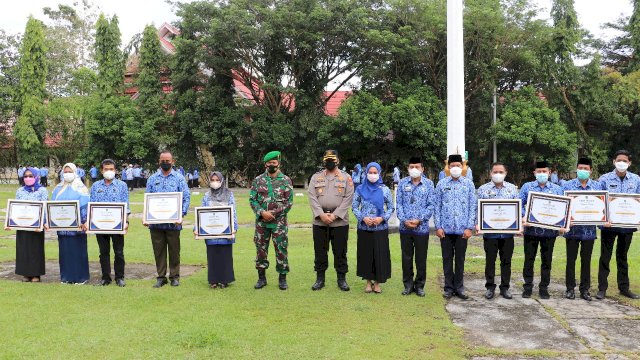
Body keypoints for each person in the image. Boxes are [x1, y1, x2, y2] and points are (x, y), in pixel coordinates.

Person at [307, 150, 354, 291]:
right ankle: (320, 279)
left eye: (332, 159)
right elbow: (311, 196)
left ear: (338, 160)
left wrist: (335, 215)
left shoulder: (346, 178)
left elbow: (348, 198)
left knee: (340, 251)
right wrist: (321, 214)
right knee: (320, 251)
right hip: (320, 221)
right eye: (327, 159)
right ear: (323, 161)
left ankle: (342, 279)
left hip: (339, 222)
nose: (330, 162)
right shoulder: (316, 177)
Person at [597, 150, 640, 299]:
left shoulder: (636, 180)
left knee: (622, 257)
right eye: (619, 160)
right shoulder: (604, 179)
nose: (621, 163)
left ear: (629, 163)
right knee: (605, 256)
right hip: (609, 225)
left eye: (625, 160)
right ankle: (602, 289)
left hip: (627, 225)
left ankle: (624, 288)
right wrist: (603, 219)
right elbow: (598, 201)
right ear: (613, 161)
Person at [145, 150, 191, 288]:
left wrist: (181, 215)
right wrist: (146, 216)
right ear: (159, 161)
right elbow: (148, 198)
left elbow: (186, 197)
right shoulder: (152, 179)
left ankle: (174, 276)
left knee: (174, 251)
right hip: (156, 223)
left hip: (173, 223)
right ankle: (161, 277)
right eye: (162, 160)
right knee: (158, 251)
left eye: (167, 160)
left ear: (173, 161)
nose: (165, 163)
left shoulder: (179, 178)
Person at [249, 151, 294, 290]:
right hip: (262, 223)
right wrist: (262, 212)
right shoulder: (258, 180)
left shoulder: (286, 180)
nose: (272, 165)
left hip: (279, 223)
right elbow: (253, 199)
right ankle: (261, 278)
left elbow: (289, 202)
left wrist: (272, 213)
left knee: (281, 249)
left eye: (274, 163)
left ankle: (282, 278)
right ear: (265, 164)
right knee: (261, 250)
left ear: (278, 163)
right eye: (269, 163)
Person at [434, 154, 477, 300]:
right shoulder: (441, 184)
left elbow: (473, 206)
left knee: (460, 259)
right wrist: (438, 227)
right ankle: (448, 288)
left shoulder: (469, 184)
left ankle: (459, 287)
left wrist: (469, 227)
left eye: (458, 165)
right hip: (445, 230)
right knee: (447, 259)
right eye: (452, 166)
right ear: (448, 167)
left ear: (463, 167)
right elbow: (437, 207)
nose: (455, 168)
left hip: (462, 230)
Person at [520, 160, 563, 299]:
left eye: (544, 171)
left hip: (549, 232)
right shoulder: (527, 187)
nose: (542, 174)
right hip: (531, 230)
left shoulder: (557, 189)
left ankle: (544, 288)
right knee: (529, 259)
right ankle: (527, 287)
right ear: (534, 173)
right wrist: (523, 217)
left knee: (547, 260)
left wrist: (562, 223)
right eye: (539, 171)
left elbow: (562, 208)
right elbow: (520, 204)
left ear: (549, 172)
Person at [476, 162, 518, 300]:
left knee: (506, 261)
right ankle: (490, 287)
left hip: (507, 233)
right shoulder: (482, 189)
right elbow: (477, 209)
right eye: (495, 172)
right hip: (490, 233)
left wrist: (519, 225)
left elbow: (516, 210)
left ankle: (505, 288)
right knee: (490, 260)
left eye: (501, 172)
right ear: (490, 173)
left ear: (505, 173)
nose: (498, 174)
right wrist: (477, 224)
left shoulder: (512, 189)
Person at [352, 162, 394, 293]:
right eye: (370, 172)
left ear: (379, 173)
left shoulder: (385, 189)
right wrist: (363, 218)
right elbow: (354, 207)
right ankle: (368, 282)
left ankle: (377, 283)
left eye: (375, 172)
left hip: (380, 228)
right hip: (364, 228)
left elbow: (391, 207)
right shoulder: (360, 189)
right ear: (366, 173)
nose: (372, 175)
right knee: (366, 255)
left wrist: (381, 218)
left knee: (379, 255)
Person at [396, 156, 434, 297]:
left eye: (417, 167)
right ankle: (408, 285)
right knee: (406, 257)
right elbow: (398, 204)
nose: (414, 169)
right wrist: (404, 219)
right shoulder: (402, 183)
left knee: (420, 258)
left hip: (421, 228)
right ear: (408, 168)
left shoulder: (429, 184)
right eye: (411, 167)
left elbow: (431, 205)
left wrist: (420, 220)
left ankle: (420, 286)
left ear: (422, 169)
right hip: (405, 228)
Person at [562, 157, 599, 301]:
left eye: (586, 169)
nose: (582, 171)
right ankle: (570, 289)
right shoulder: (567, 186)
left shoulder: (597, 187)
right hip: (572, 230)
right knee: (570, 261)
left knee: (586, 261)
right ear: (576, 169)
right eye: (580, 168)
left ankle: (585, 290)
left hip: (589, 231)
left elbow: (601, 208)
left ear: (590, 171)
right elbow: (562, 207)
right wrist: (565, 220)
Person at [89, 159, 130, 287]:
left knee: (119, 252)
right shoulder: (95, 186)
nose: (109, 171)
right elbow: (92, 205)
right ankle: (105, 278)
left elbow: (126, 205)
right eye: (106, 169)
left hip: (117, 225)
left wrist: (126, 221)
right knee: (103, 252)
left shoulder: (122, 185)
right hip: (100, 225)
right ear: (101, 171)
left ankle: (119, 277)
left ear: (115, 170)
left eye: (111, 169)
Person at [6, 168, 48, 282]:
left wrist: (42, 223)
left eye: (30, 176)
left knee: (36, 249)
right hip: (22, 225)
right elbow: (16, 207)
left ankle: (36, 274)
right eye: (25, 176)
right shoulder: (20, 191)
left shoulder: (42, 190)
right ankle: (25, 273)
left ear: (36, 177)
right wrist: (10, 222)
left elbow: (44, 207)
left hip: (36, 226)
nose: (28, 178)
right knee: (23, 248)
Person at [52, 163, 90, 284]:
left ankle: (80, 277)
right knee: (65, 253)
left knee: (78, 252)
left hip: (78, 227)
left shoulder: (81, 188)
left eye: (70, 171)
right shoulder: (57, 188)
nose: (67, 174)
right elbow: (52, 207)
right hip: (62, 228)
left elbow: (85, 206)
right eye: (65, 172)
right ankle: (66, 277)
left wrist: (83, 221)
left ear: (75, 173)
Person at [199, 172, 238, 288]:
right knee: (212, 256)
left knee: (224, 255)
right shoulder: (206, 196)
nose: (214, 182)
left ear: (221, 181)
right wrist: (197, 228)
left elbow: (233, 211)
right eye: (212, 179)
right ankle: (213, 280)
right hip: (210, 231)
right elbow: (201, 213)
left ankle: (224, 280)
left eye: (217, 179)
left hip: (225, 231)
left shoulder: (229, 194)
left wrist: (234, 227)